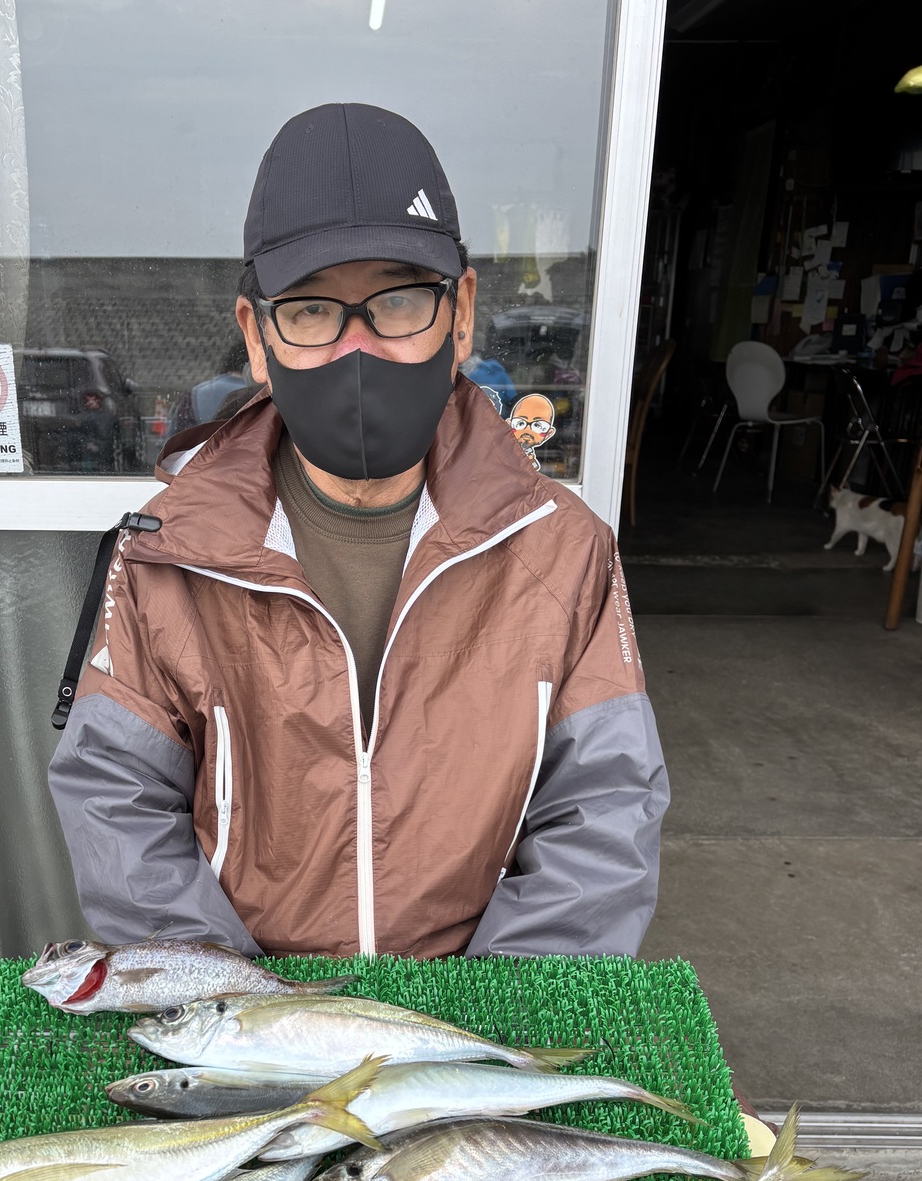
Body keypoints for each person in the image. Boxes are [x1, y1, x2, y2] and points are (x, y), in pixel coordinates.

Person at [49, 103, 668, 960]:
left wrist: (477, 1025)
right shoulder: (166, 556)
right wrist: (245, 1011)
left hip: (473, 1016)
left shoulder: (564, 552)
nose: (358, 349)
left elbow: (602, 818)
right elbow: (117, 804)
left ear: (460, 312)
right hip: (252, 1007)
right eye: (310, 310)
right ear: (256, 337)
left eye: (399, 300)